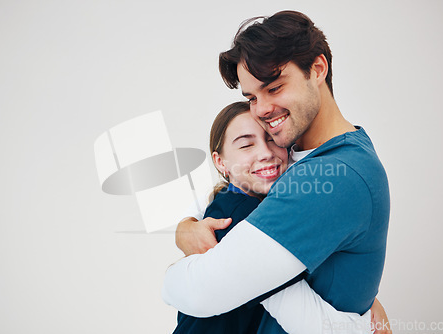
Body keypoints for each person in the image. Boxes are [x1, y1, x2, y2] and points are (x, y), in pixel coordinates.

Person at [163, 10, 391, 334]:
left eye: (274, 87)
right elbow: (233, 194)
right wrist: (185, 228)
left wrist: (172, 275)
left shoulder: (330, 176)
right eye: (252, 97)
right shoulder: (298, 159)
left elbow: (199, 290)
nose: (261, 109)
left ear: (317, 69)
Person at [172, 101, 385, 334]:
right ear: (220, 162)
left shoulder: (231, 199)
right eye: (246, 145)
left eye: (272, 139)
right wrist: (365, 324)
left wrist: (185, 225)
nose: (265, 153)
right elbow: (302, 314)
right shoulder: (240, 217)